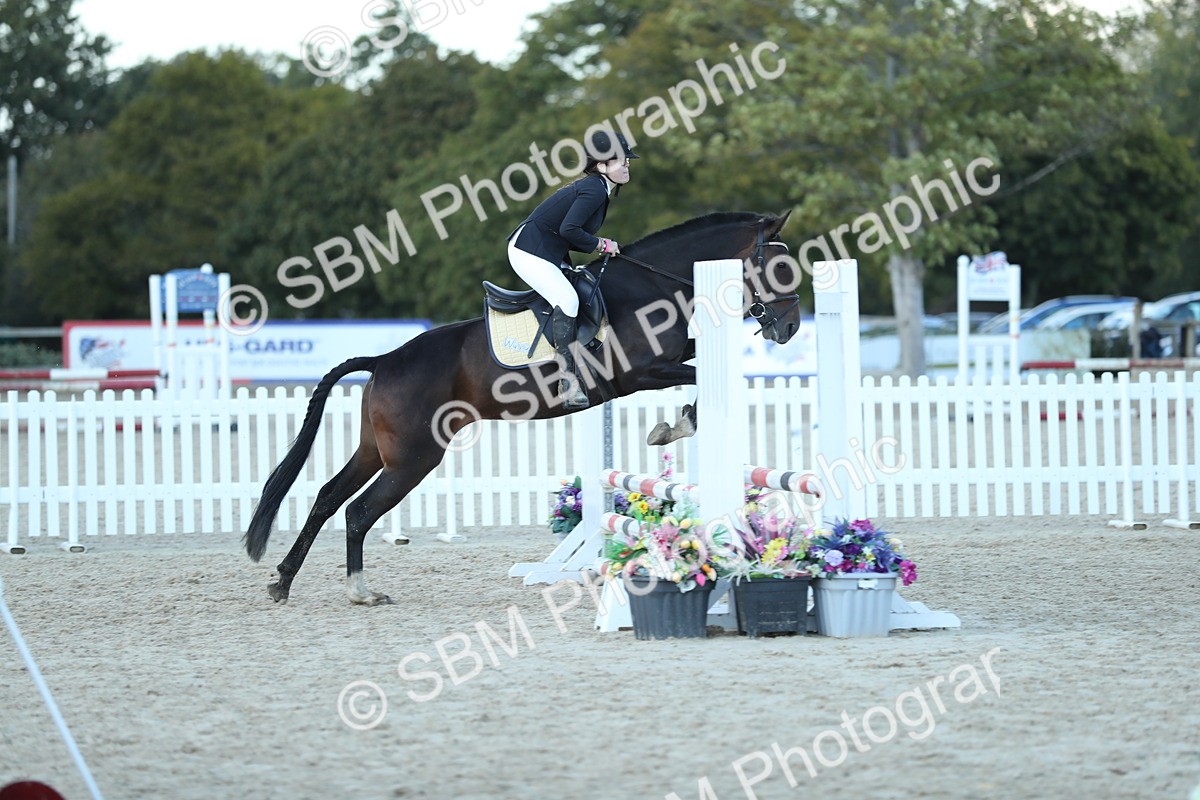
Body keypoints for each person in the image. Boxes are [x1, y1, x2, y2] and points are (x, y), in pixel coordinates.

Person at [507, 129, 638, 409]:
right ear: (601, 166)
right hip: (529, 251)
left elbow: (567, 232)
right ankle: (567, 381)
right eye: (620, 160)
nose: (627, 164)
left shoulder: (598, 188)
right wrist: (602, 245)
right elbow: (569, 229)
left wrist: (599, 245)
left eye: (627, 159)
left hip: (548, 250)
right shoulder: (593, 189)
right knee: (567, 299)